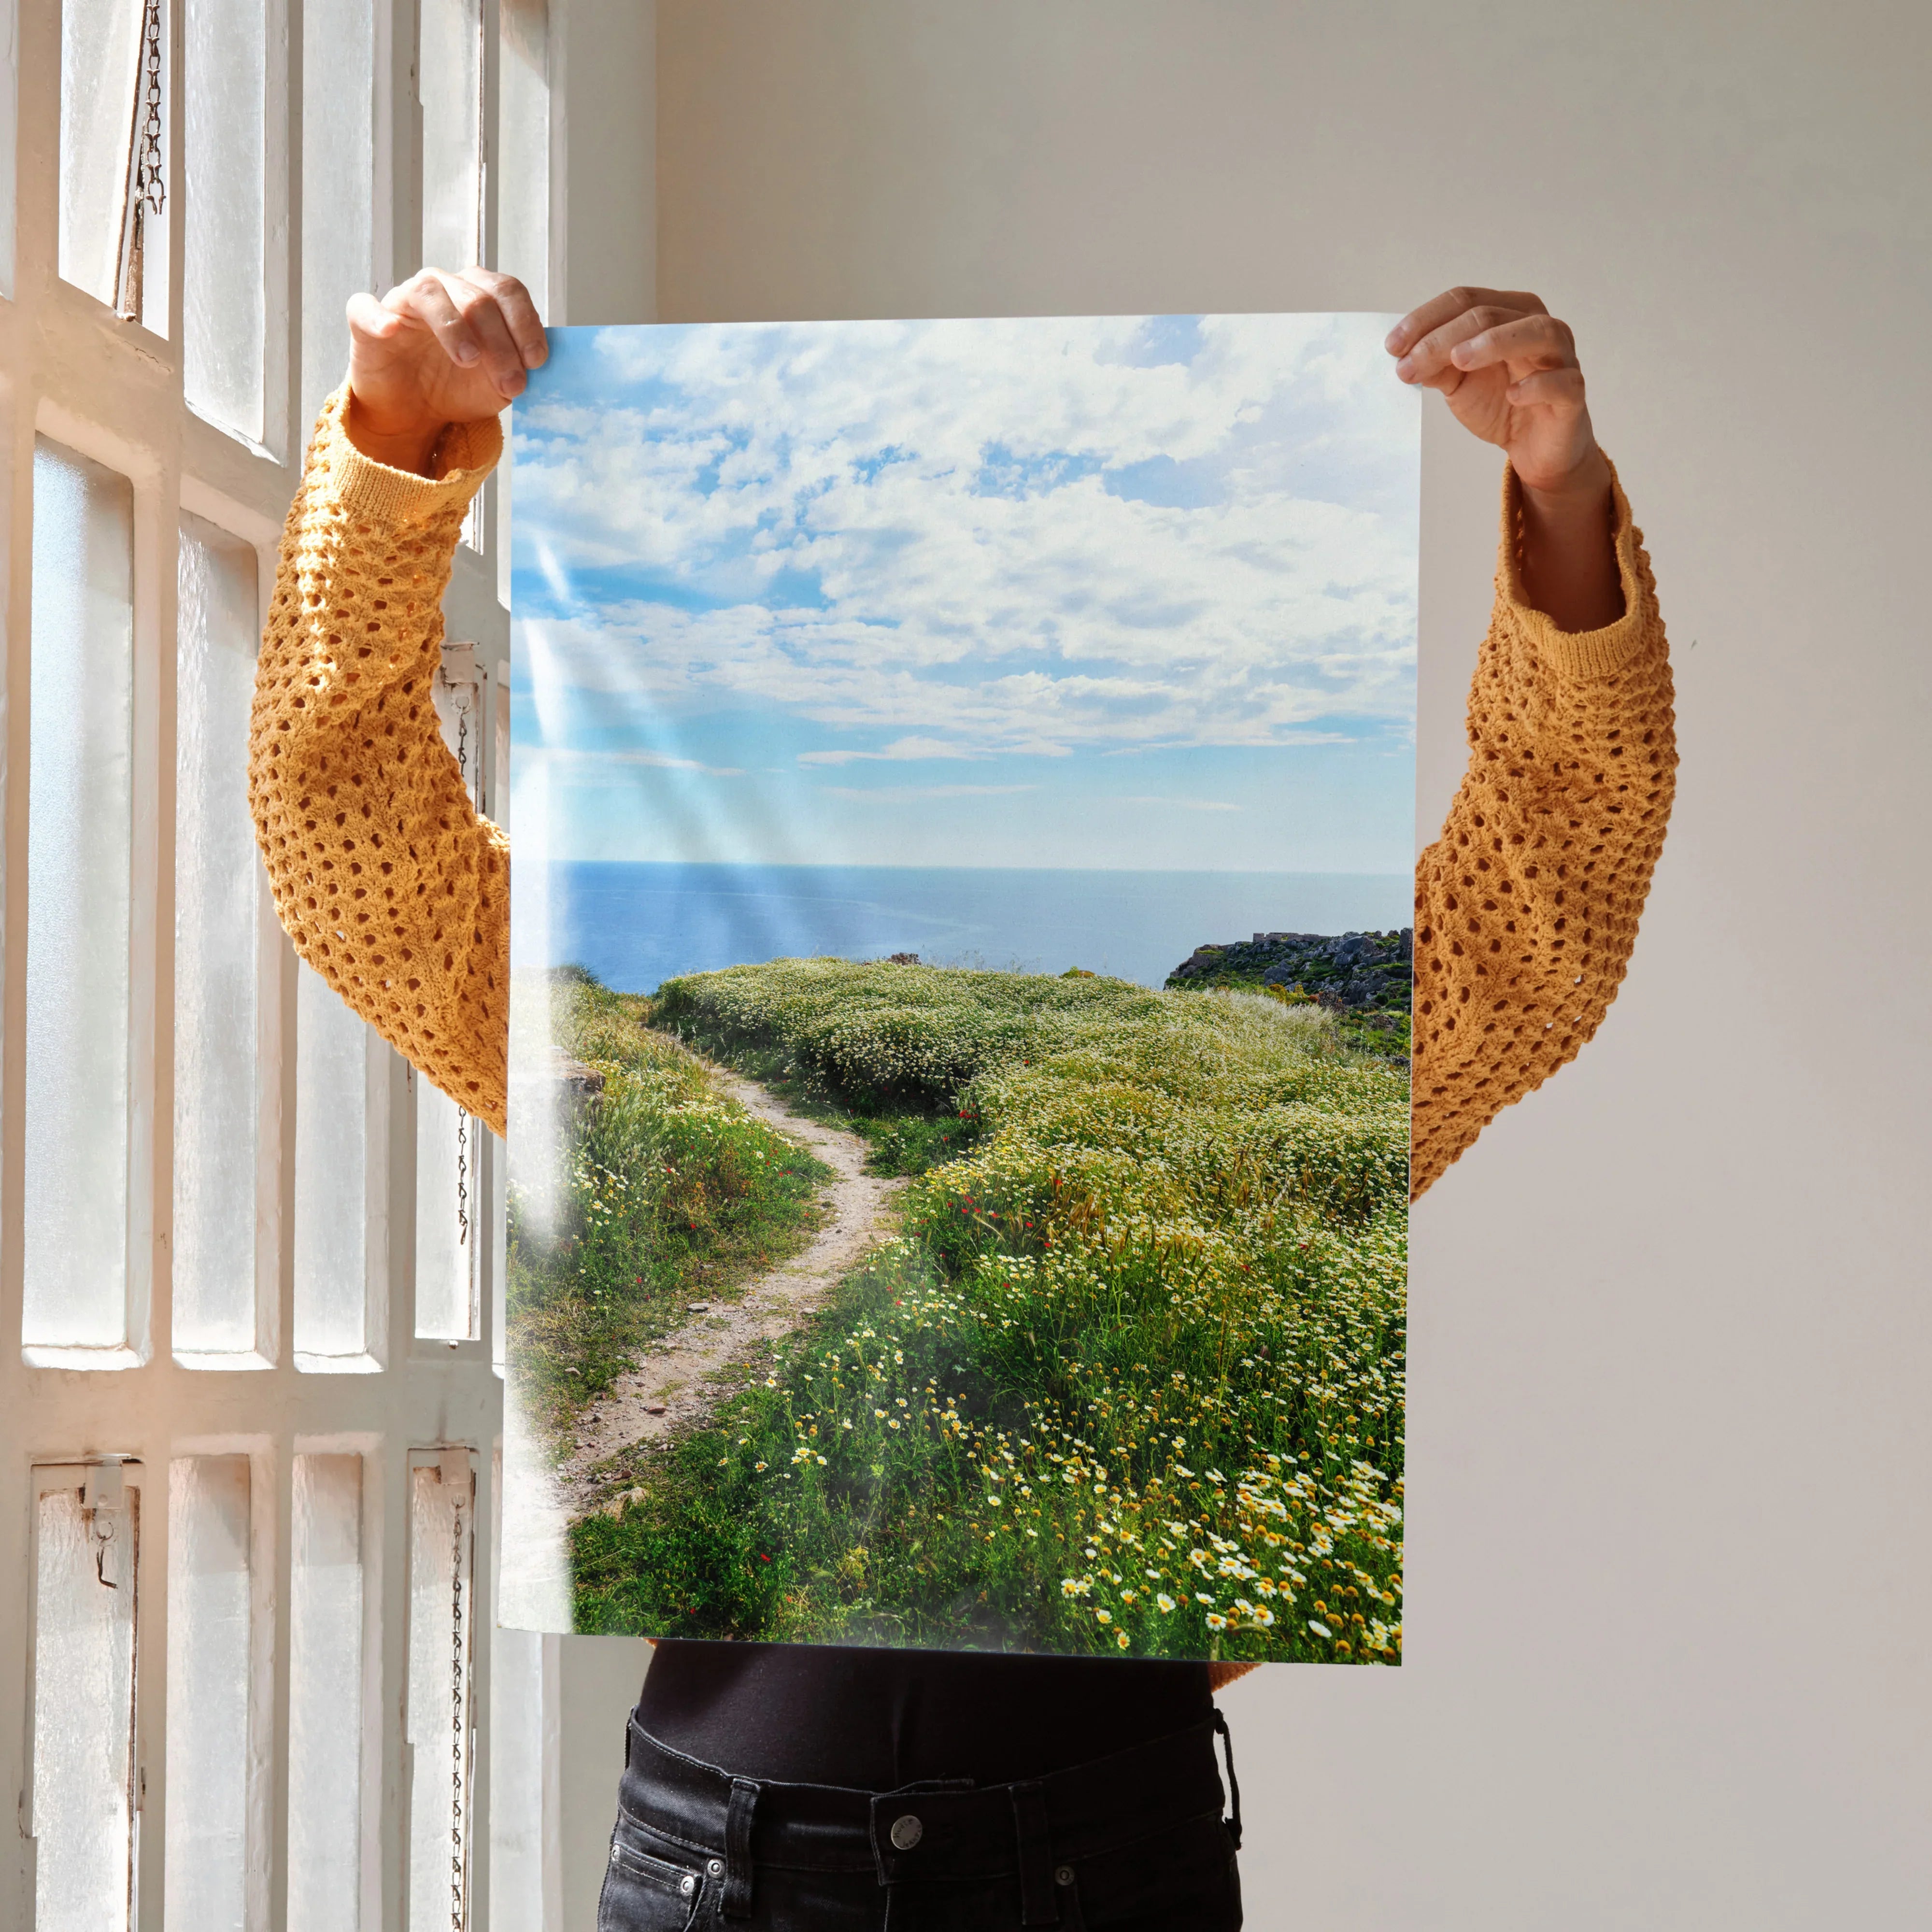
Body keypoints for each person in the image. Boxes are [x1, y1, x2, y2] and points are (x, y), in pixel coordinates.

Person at [250, 271, 1674, 1930]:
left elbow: (1546, 907)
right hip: (729, 1870)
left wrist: (1561, 495)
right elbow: (345, 837)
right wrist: (393, 446)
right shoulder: (613, 1052)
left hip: (1103, 1855)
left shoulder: (1286, 1115)